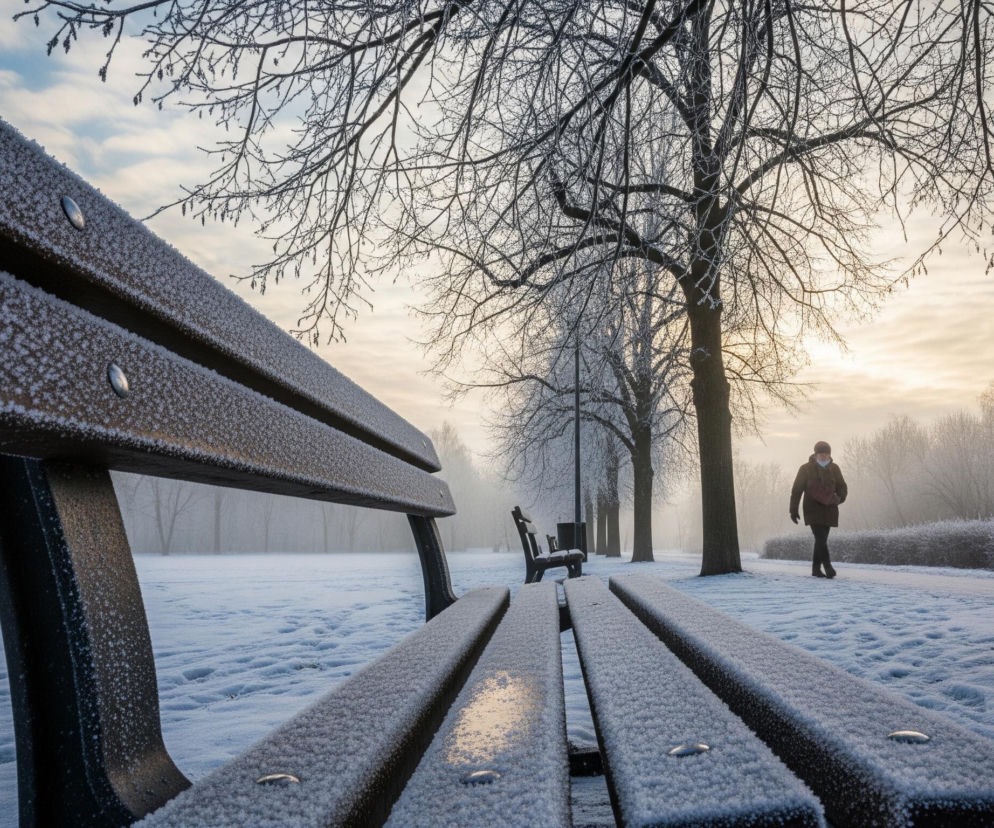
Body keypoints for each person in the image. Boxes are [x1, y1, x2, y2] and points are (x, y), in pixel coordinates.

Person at [789, 441, 848, 578]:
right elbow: (797, 490)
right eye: (821, 454)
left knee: (821, 540)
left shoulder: (835, 468)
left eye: (826, 454)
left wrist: (839, 498)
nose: (823, 456)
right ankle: (828, 566)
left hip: (830, 509)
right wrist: (793, 510)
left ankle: (815, 569)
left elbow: (842, 486)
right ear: (815, 454)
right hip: (812, 509)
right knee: (820, 537)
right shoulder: (805, 469)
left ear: (830, 455)